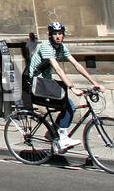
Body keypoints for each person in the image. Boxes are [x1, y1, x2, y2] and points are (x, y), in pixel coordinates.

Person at [25, 21, 103, 154]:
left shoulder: (61, 47)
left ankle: (54, 135)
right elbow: (58, 69)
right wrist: (72, 87)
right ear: (50, 35)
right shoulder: (46, 46)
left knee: (67, 105)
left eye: (60, 33)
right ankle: (61, 138)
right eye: (55, 34)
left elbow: (77, 65)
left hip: (45, 81)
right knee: (68, 105)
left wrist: (95, 83)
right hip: (34, 81)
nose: (58, 36)